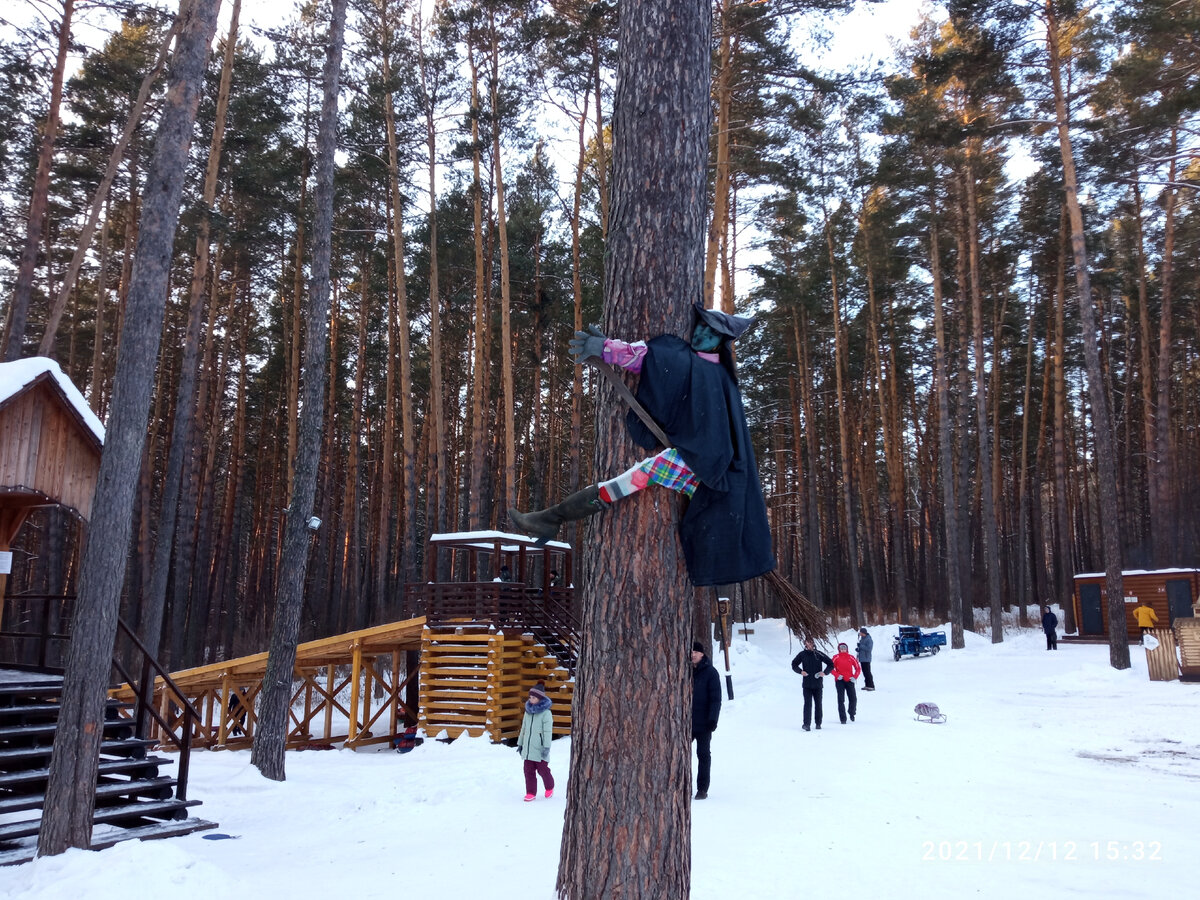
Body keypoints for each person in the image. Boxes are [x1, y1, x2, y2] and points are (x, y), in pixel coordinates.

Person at [509, 304, 774, 588]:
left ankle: (552, 517)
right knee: (640, 475)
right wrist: (608, 349)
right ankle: (551, 517)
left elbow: (653, 359)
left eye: (711, 332)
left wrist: (608, 348)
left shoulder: (707, 370)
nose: (701, 334)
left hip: (709, 470)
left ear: (721, 342)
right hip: (708, 466)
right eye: (701, 326)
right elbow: (656, 360)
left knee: (641, 474)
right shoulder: (716, 374)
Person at [691, 640, 721, 800]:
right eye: (691, 652)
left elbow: (716, 699)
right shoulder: (685, 670)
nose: (693, 655)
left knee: (703, 755)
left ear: (702, 654)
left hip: (704, 723)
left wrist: (713, 720)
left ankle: (702, 788)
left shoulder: (711, 673)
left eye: (696, 652)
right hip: (686, 723)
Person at [516, 682, 555, 801]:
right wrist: (520, 743)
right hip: (528, 749)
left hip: (540, 749)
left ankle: (549, 787)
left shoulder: (546, 714)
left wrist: (546, 747)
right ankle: (531, 792)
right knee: (528, 771)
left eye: (534, 697)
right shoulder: (528, 713)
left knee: (543, 770)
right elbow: (523, 729)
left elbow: (548, 732)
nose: (531, 699)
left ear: (540, 698)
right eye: (530, 697)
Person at [790, 637, 833, 731]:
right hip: (807, 684)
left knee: (818, 704)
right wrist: (800, 671)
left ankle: (818, 723)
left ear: (813, 643)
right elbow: (794, 664)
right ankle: (806, 724)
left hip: (818, 684)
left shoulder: (818, 653)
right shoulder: (802, 654)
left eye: (811, 643)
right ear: (805, 644)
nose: (809, 645)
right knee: (807, 704)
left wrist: (825, 672)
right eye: (807, 643)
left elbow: (831, 664)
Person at [829, 642, 862, 724]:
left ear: (847, 649)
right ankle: (843, 718)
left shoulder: (851, 657)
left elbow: (858, 668)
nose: (843, 649)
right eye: (841, 648)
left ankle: (852, 712)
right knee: (841, 699)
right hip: (840, 681)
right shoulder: (836, 657)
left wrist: (855, 677)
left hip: (850, 680)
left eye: (844, 648)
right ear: (839, 649)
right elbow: (830, 668)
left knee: (853, 698)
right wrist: (837, 675)